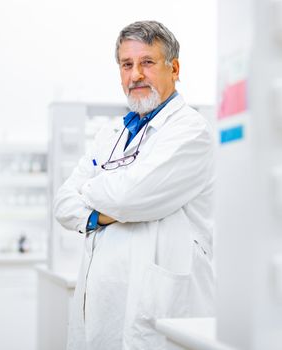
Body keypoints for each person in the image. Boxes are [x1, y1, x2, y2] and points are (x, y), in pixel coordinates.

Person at [53, 20, 215, 350]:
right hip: (103, 302)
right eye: (127, 65)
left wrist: (95, 188)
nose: (135, 75)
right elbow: (63, 204)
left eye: (147, 62)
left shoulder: (191, 132)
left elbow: (128, 197)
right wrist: (101, 211)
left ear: (174, 68)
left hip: (156, 307)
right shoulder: (112, 134)